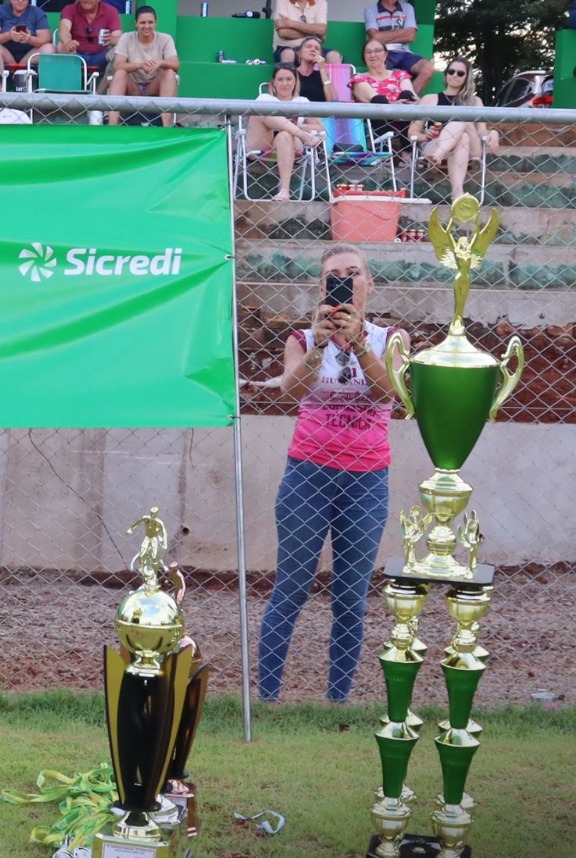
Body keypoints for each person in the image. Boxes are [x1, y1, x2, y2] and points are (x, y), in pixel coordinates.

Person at [257, 245, 401, 704]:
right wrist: (321, 345)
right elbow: (291, 389)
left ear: (369, 283)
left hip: (366, 479)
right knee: (292, 587)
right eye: (335, 276)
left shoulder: (390, 338)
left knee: (351, 596)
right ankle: (268, 700)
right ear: (322, 288)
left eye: (354, 273)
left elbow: (388, 393)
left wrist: (357, 343)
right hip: (308, 475)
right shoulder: (301, 339)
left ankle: (337, 700)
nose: (346, 281)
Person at [409, 57, 497, 201]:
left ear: (467, 77)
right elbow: (412, 133)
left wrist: (493, 132)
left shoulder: (475, 101)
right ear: (446, 74)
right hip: (435, 143)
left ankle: (438, 156)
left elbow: (482, 132)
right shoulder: (430, 99)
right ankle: (457, 193)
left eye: (460, 73)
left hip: (470, 151)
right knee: (463, 137)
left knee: (462, 120)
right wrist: (426, 136)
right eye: (451, 71)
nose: (454, 75)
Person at [246, 66, 324, 201]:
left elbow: (320, 128)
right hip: (263, 142)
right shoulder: (265, 98)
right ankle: (302, 135)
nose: (285, 83)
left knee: (285, 135)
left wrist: (297, 126)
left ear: (295, 82)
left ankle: (284, 191)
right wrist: (301, 133)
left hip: (290, 143)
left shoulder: (302, 102)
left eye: (289, 79)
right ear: (274, 83)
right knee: (263, 109)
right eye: (280, 79)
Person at [106, 5, 177, 127]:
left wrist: (160, 63)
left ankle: (167, 128)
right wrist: (139, 65)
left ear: (156, 22)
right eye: (142, 22)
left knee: (169, 72)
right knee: (120, 73)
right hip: (133, 87)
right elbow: (118, 65)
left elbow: (175, 64)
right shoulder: (126, 38)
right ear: (136, 23)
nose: (146, 26)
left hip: (154, 88)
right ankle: (112, 126)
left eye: (150, 22)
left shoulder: (165, 38)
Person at [352, 37, 416, 152]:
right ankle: (384, 151)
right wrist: (395, 105)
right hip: (375, 120)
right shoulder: (359, 78)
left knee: (407, 95)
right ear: (364, 56)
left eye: (377, 51)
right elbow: (375, 98)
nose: (373, 55)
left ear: (386, 54)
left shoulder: (400, 74)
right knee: (379, 100)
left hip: (403, 118)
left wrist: (404, 103)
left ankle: (407, 152)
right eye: (368, 52)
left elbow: (411, 95)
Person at [365, 0, 434, 94]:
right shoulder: (370, 10)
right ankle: (387, 104)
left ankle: (408, 100)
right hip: (382, 53)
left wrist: (383, 36)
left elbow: (411, 36)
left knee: (428, 68)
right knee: (377, 70)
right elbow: (374, 37)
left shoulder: (407, 8)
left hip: (404, 53)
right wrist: (403, 33)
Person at [58, 0, 120, 79]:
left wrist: (111, 39)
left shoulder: (111, 10)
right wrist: (67, 42)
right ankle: (71, 86)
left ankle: (99, 91)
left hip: (101, 57)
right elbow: (64, 28)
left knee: (118, 50)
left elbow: (118, 37)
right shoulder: (69, 9)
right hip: (76, 56)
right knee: (61, 46)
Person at [0, 0, 53, 69]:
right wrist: (9, 35)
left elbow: (47, 39)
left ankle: (44, 80)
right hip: (6, 55)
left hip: (29, 57)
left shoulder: (37, 12)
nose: (20, 1)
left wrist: (30, 39)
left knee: (49, 48)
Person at [273, 0, 327, 65]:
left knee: (334, 56)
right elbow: (283, 33)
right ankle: (287, 75)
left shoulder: (321, 2)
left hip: (314, 48)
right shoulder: (282, 1)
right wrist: (314, 33)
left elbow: (321, 30)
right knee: (288, 54)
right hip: (288, 47)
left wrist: (290, 23)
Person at [292, 36, 331, 103]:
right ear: (299, 53)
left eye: (317, 48)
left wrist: (322, 68)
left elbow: (334, 101)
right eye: (308, 46)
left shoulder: (322, 75)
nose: (313, 50)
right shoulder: (291, 73)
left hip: (320, 112)